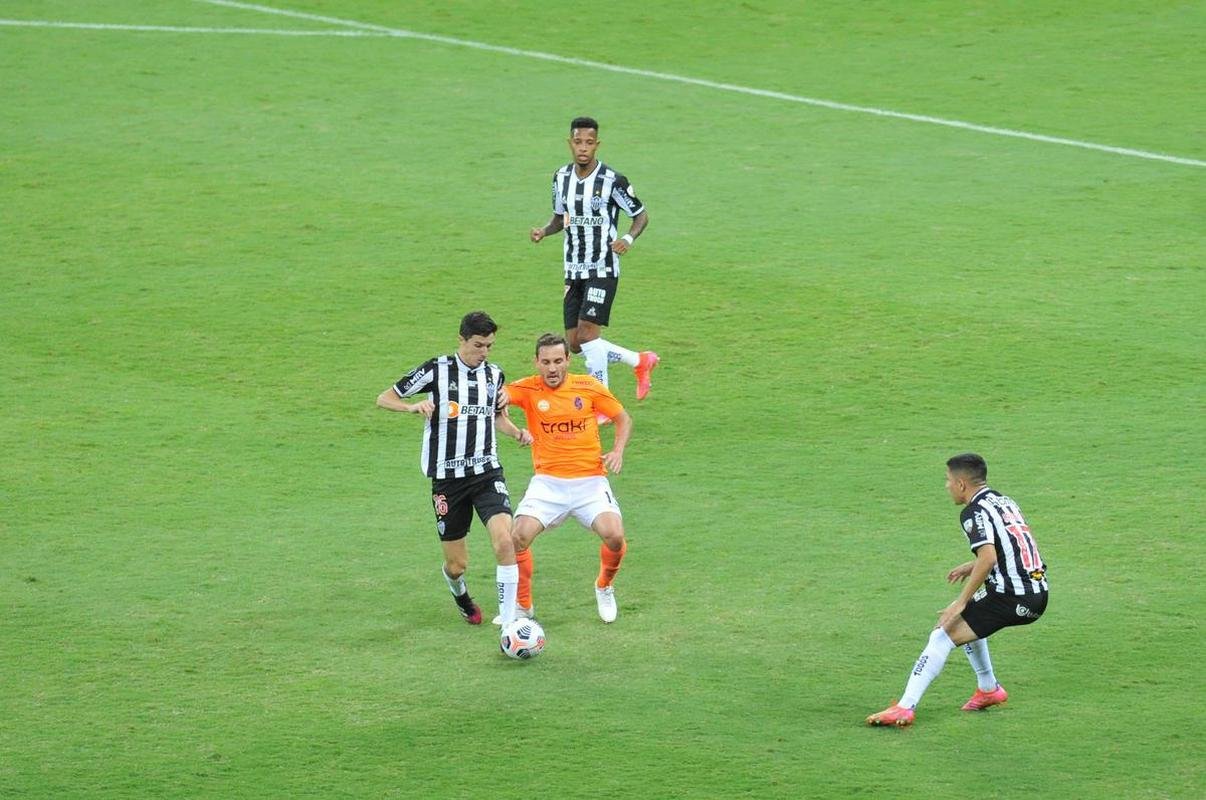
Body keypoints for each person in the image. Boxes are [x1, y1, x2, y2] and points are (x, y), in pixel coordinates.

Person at [867, 453, 1049, 727]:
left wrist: (960, 602)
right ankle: (989, 689)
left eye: (948, 480)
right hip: (1037, 591)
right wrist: (971, 566)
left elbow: (988, 557)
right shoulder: (1004, 500)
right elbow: (1014, 541)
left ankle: (905, 708)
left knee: (942, 634)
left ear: (962, 484)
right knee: (974, 623)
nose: (946, 486)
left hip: (1012, 595)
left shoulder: (973, 512)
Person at [375, 311, 530, 628]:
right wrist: (412, 406)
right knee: (457, 564)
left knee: (505, 541)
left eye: (489, 346)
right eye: (478, 345)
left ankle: (510, 620)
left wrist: (517, 433)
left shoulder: (494, 375)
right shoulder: (436, 370)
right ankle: (461, 596)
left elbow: (497, 417)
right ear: (461, 340)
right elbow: (384, 398)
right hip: (448, 483)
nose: (484, 352)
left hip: (487, 474)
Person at [504, 333, 633, 623]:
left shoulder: (588, 387)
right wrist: (510, 424)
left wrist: (617, 451)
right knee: (517, 537)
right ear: (537, 362)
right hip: (548, 483)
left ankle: (604, 586)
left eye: (558, 361)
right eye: (546, 362)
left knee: (614, 536)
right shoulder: (527, 388)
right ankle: (524, 606)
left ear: (568, 360)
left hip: (590, 482)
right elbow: (498, 398)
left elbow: (623, 419)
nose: (552, 369)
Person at [529, 116, 660, 404]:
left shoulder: (613, 180)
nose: (583, 148)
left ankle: (602, 403)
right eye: (578, 142)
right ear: (570, 143)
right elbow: (560, 218)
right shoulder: (560, 177)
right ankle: (639, 360)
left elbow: (641, 214)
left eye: (589, 142)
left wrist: (627, 239)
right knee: (575, 344)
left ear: (597, 145)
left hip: (602, 266)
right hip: (572, 268)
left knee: (589, 335)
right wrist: (544, 231)